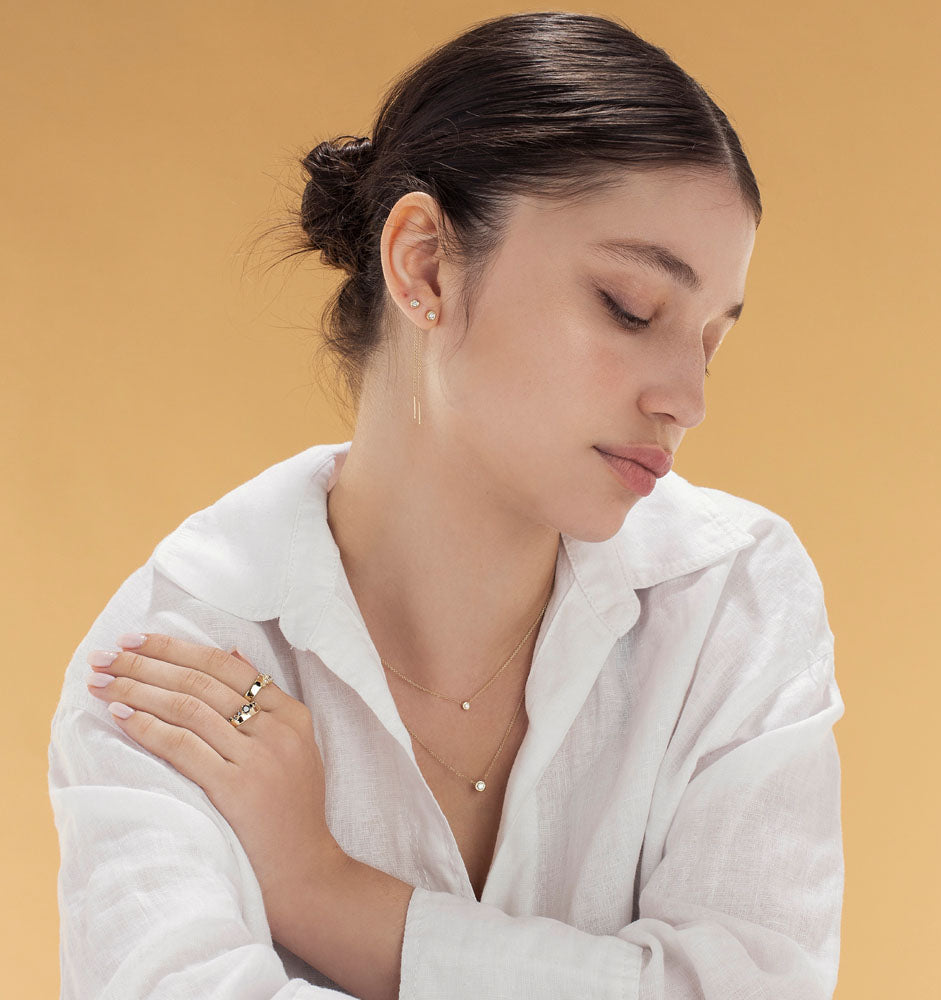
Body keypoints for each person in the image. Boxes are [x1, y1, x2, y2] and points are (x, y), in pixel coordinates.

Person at [48, 10, 845, 1000]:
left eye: (710, 339)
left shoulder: (728, 597)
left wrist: (322, 889)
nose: (686, 399)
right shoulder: (181, 663)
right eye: (630, 307)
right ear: (424, 263)